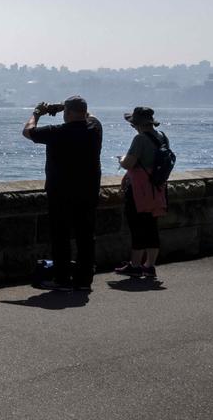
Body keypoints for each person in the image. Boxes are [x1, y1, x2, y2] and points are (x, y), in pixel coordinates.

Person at [22, 95, 103, 291]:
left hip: (61, 192)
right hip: (88, 190)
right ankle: (84, 281)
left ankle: (62, 278)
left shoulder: (57, 131)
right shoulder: (95, 128)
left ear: (66, 114)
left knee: (61, 236)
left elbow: (28, 131)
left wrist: (37, 113)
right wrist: (64, 107)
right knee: (86, 236)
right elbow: (90, 116)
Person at [113, 107, 168, 279]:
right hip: (157, 189)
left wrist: (121, 159)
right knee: (151, 227)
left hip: (139, 191)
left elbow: (129, 163)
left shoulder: (140, 139)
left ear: (135, 124)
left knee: (137, 227)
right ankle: (149, 266)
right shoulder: (162, 136)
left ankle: (135, 265)